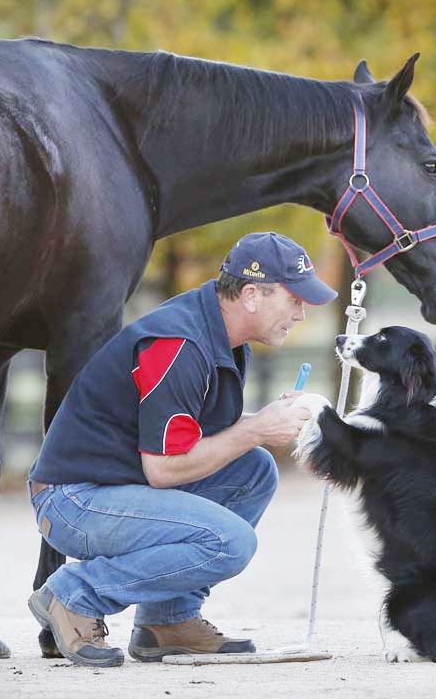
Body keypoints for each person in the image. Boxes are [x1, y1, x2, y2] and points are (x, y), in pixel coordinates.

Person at [27, 231, 338, 667]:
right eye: (294, 300)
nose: (302, 314)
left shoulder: (217, 333)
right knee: (230, 543)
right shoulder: (179, 345)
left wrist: (262, 424)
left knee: (253, 469)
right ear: (251, 295)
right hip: (72, 499)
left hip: (113, 486)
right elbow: (165, 470)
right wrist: (256, 429)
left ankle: (167, 621)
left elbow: (187, 438)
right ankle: (74, 594)